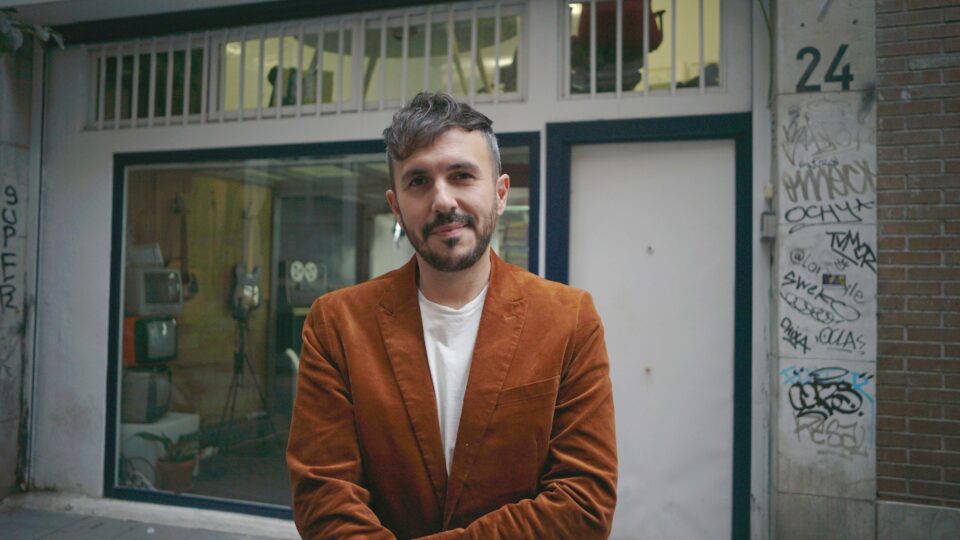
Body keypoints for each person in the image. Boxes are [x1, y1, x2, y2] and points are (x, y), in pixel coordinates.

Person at [287, 92, 617, 539]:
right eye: (418, 181)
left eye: (462, 175)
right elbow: (323, 497)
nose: (443, 201)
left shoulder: (569, 319)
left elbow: (583, 502)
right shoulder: (338, 325)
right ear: (396, 206)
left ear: (500, 193)